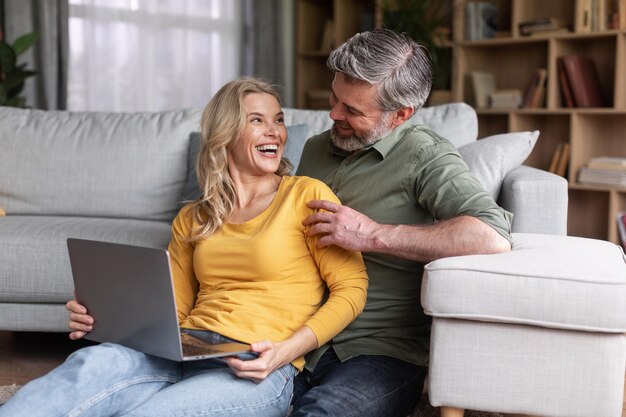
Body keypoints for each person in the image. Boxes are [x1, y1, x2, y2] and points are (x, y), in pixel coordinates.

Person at [0, 79, 368, 417]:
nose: (275, 130)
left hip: (255, 365)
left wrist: (285, 353)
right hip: (182, 348)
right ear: (225, 134)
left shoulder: (306, 195)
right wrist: (105, 315)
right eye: (257, 120)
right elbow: (174, 308)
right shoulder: (194, 216)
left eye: (279, 119)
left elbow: (351, 289)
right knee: (89, 368)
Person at [288, 29, 513, 417]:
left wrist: (372, 234)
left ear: (401, 115)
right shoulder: (315, 148)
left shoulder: (425, 156)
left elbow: (491, 235)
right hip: (294, 335)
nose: (333, 115)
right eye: (334, 98)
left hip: (379, 351)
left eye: (352, 110)